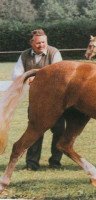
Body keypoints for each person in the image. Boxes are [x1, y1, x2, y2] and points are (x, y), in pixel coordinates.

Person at [12, 29, 65, 171]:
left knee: (59, 131)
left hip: (56, 101)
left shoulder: (55, 53)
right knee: (34, 131)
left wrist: (37, 78)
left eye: (43, 42)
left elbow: (58, 75)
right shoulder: (24, 55)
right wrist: (25, 77)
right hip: (36, 102)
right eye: (38, 43)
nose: (41, 45)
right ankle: (32, 164)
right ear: (31, 43)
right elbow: (16, 75)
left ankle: (55, 163)